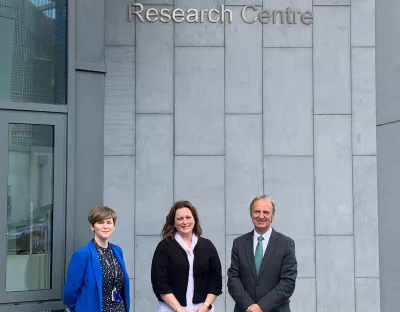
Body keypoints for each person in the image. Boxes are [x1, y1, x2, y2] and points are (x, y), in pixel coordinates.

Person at [227, 194, 297, 312]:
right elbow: (233, 279)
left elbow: (288, 282)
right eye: (257, 211)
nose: (261, 216)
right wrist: (250, 307)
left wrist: (261, 307)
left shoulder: (286, 244)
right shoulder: (239, 243)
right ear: (251, 214)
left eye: (266, 212)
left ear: (272, 215)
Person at [151, 200, 222, 312]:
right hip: (171, 308)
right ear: (173, 223)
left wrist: (206, 305)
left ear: (194, 219)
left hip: (202, 308)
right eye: (180, 218)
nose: (185, 222)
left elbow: (216, 279)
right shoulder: (164, 247)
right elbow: (160, 282)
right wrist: (178, 308)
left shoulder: (207, 246)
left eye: (188, 217)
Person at [63, 206, 130, 312]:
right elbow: (70, 293)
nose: (105, 226)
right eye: (100, 222)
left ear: (114, 226)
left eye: (109, 222)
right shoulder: (82, 255)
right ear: (92, 226)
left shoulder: (117, 251)